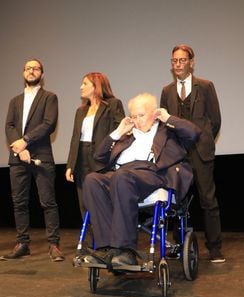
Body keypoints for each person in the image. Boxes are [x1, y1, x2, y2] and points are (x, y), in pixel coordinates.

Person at [81, 93, 201, 266]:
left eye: (141, 115)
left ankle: (125, 250)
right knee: (92, 180)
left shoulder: (167, 132)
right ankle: (108, 249)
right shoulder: (125, 136)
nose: (137, 120)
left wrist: (167, 118)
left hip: (151, 172)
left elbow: (193, 133)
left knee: (122, 176)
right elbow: (99, 156)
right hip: (121, 174)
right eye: (133, 116)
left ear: (154, 113)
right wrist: (118, 131)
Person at [160, 44, 225, 263]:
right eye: (174, 61)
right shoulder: (167, 91)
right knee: (178, 202)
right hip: (177, 154)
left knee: (208, 200)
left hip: (200, 152)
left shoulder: (205, 87)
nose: (177, 64)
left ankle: (215, 248)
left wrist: (204, 140)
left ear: (191, 62)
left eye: (182, 60)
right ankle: (180, 246)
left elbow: (215, 121)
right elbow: (163, 122)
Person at [0, 58, 64, 262]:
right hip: (18, 158)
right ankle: (22, 244)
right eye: (28, 68)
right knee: (19, 202)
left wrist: (25, 141)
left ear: (42, 75)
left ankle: (53, 244)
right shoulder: (14, 101)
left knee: (48, 202)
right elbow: (9, 126)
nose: (31, 71)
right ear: (23, 73)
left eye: (35, 68)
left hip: (41, 156)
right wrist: (19, 149)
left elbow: (48, 124)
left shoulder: (49, 97)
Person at [65, 72, 125, 217]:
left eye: (85, 84)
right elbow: (75, 138)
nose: (81, 87)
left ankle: (107, 236)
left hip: (102, 157)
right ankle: (91, 237)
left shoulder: (112, 105)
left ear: (96, 86)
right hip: (82, 157)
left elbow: (122, 130)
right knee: (84, 199)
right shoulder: (80, 111)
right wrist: (70, 165)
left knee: (102, 198)